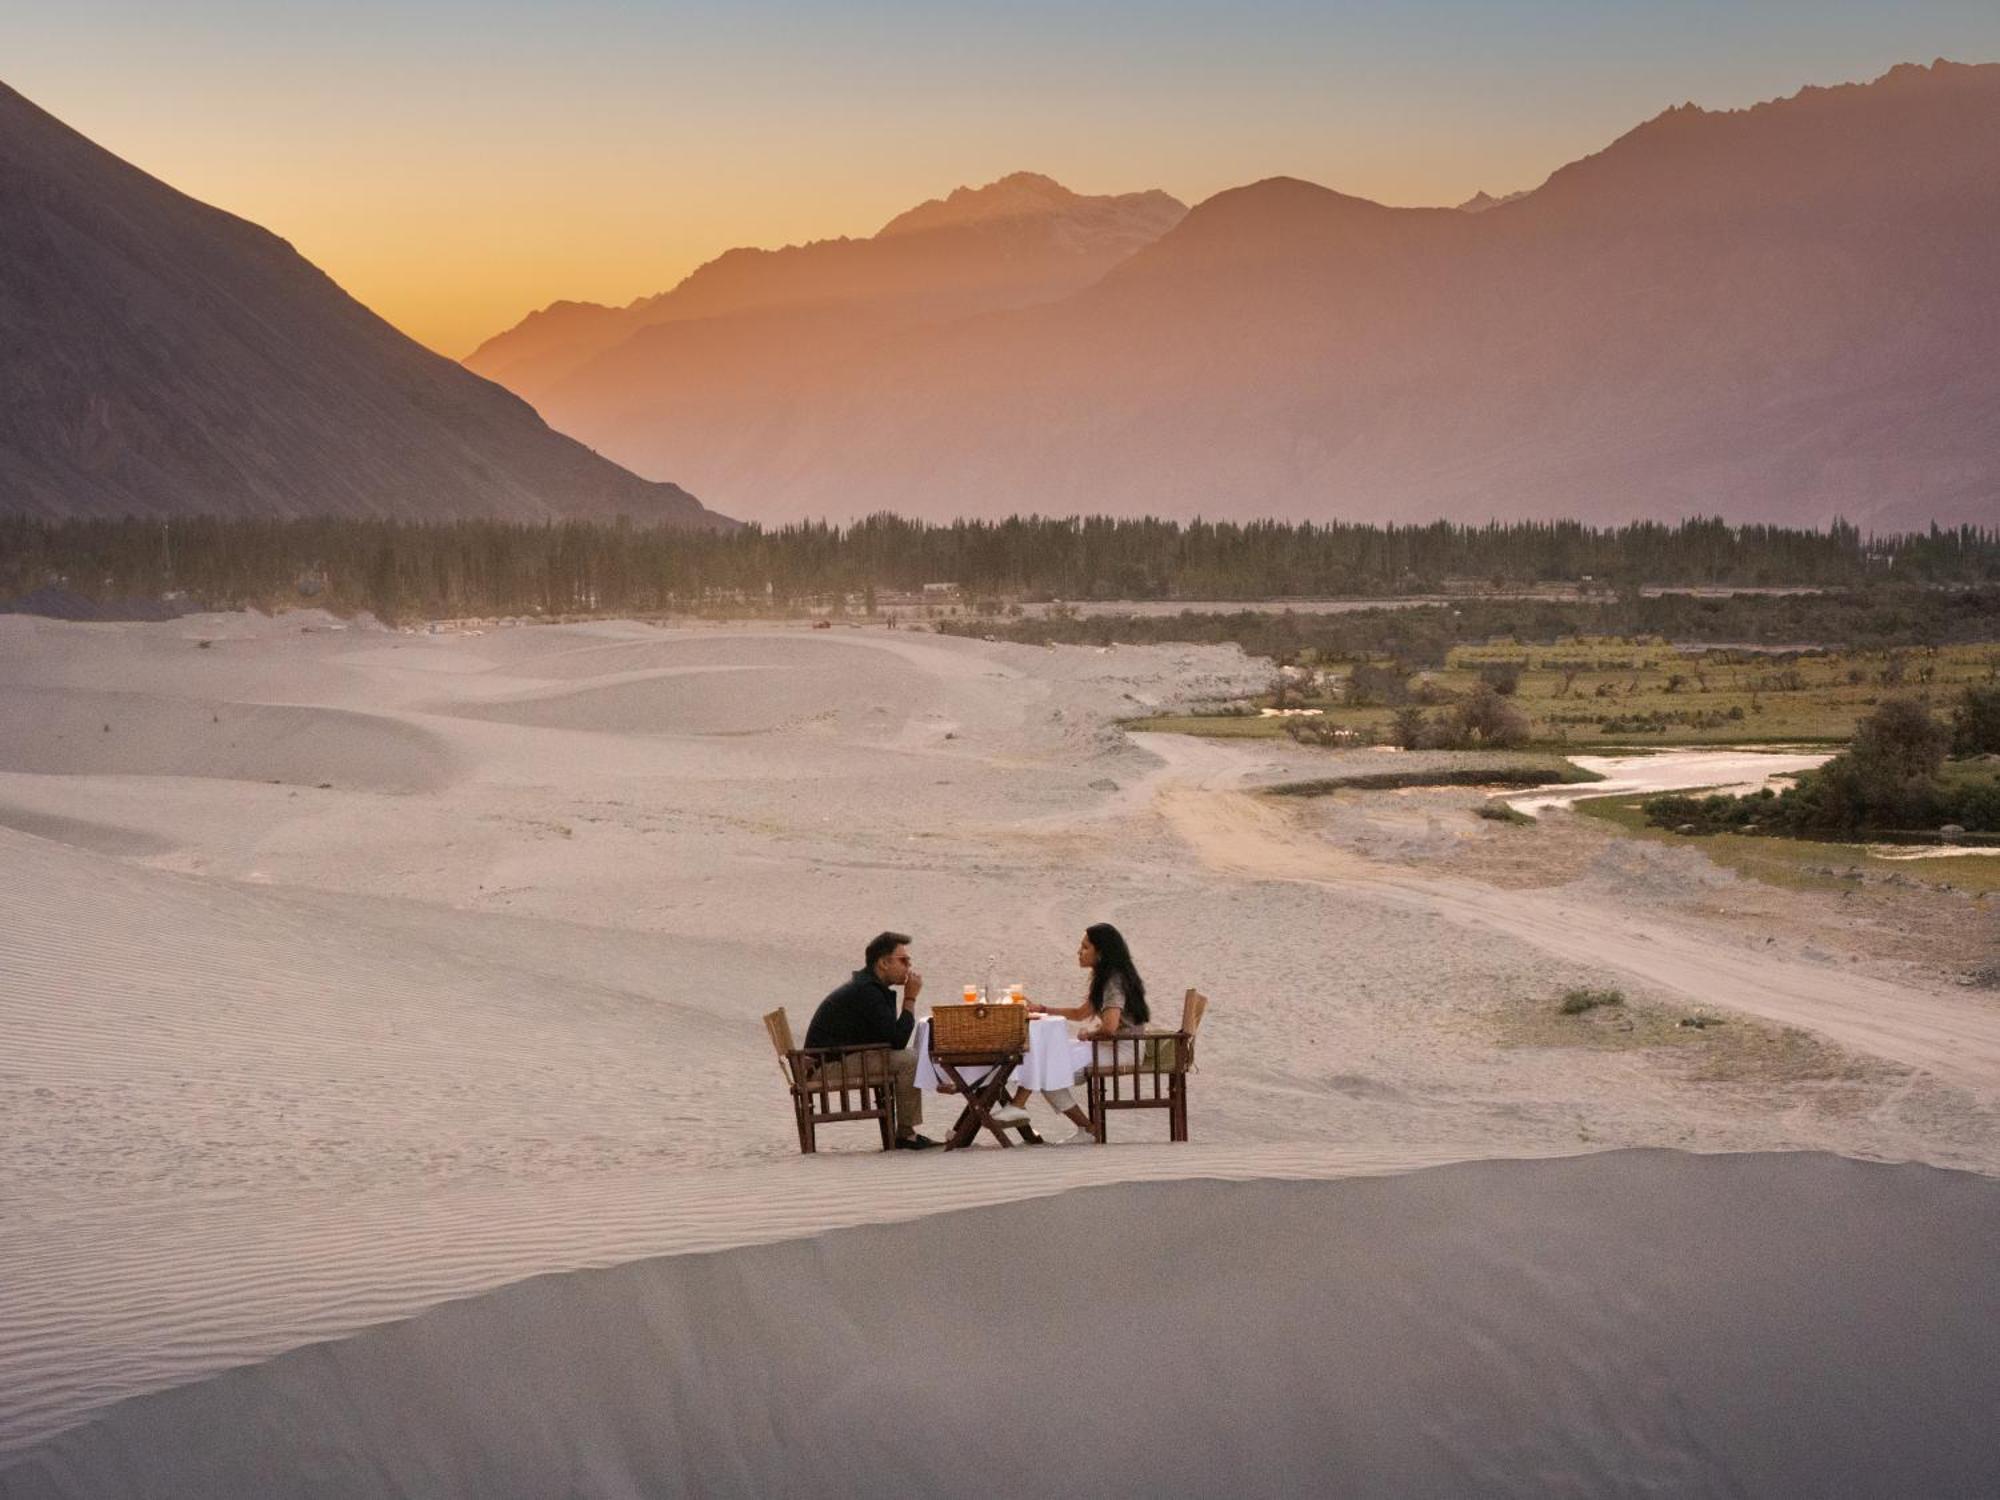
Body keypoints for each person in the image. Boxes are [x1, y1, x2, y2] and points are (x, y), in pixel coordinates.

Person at [804, 931, 940, 1150]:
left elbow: (888, 1037)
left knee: (907, 1057)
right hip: (825, 1067)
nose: (908, 966)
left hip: (832, 1060)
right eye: (903, 960)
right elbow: (897, 1040)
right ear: (884, 963)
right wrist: (910, 998)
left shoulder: (870, 987)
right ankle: (906, 1134)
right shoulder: (867, 991)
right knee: (910, 1060)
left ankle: (906, 1132)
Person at [1020, 922, 1152, 1143]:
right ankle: (1086, 1128)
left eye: (1085, 947)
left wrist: (1088, 1035)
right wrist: (1042, 1009)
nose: (1079, 952)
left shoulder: (1113, 981)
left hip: (1124, 1050)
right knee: (1048, 1064)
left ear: (1101, 952)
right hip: (1112, 1046)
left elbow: (1109, 1026)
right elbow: (1080, 1013)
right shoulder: (1107, 977)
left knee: (1047, 1072)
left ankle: (1089, 1129)